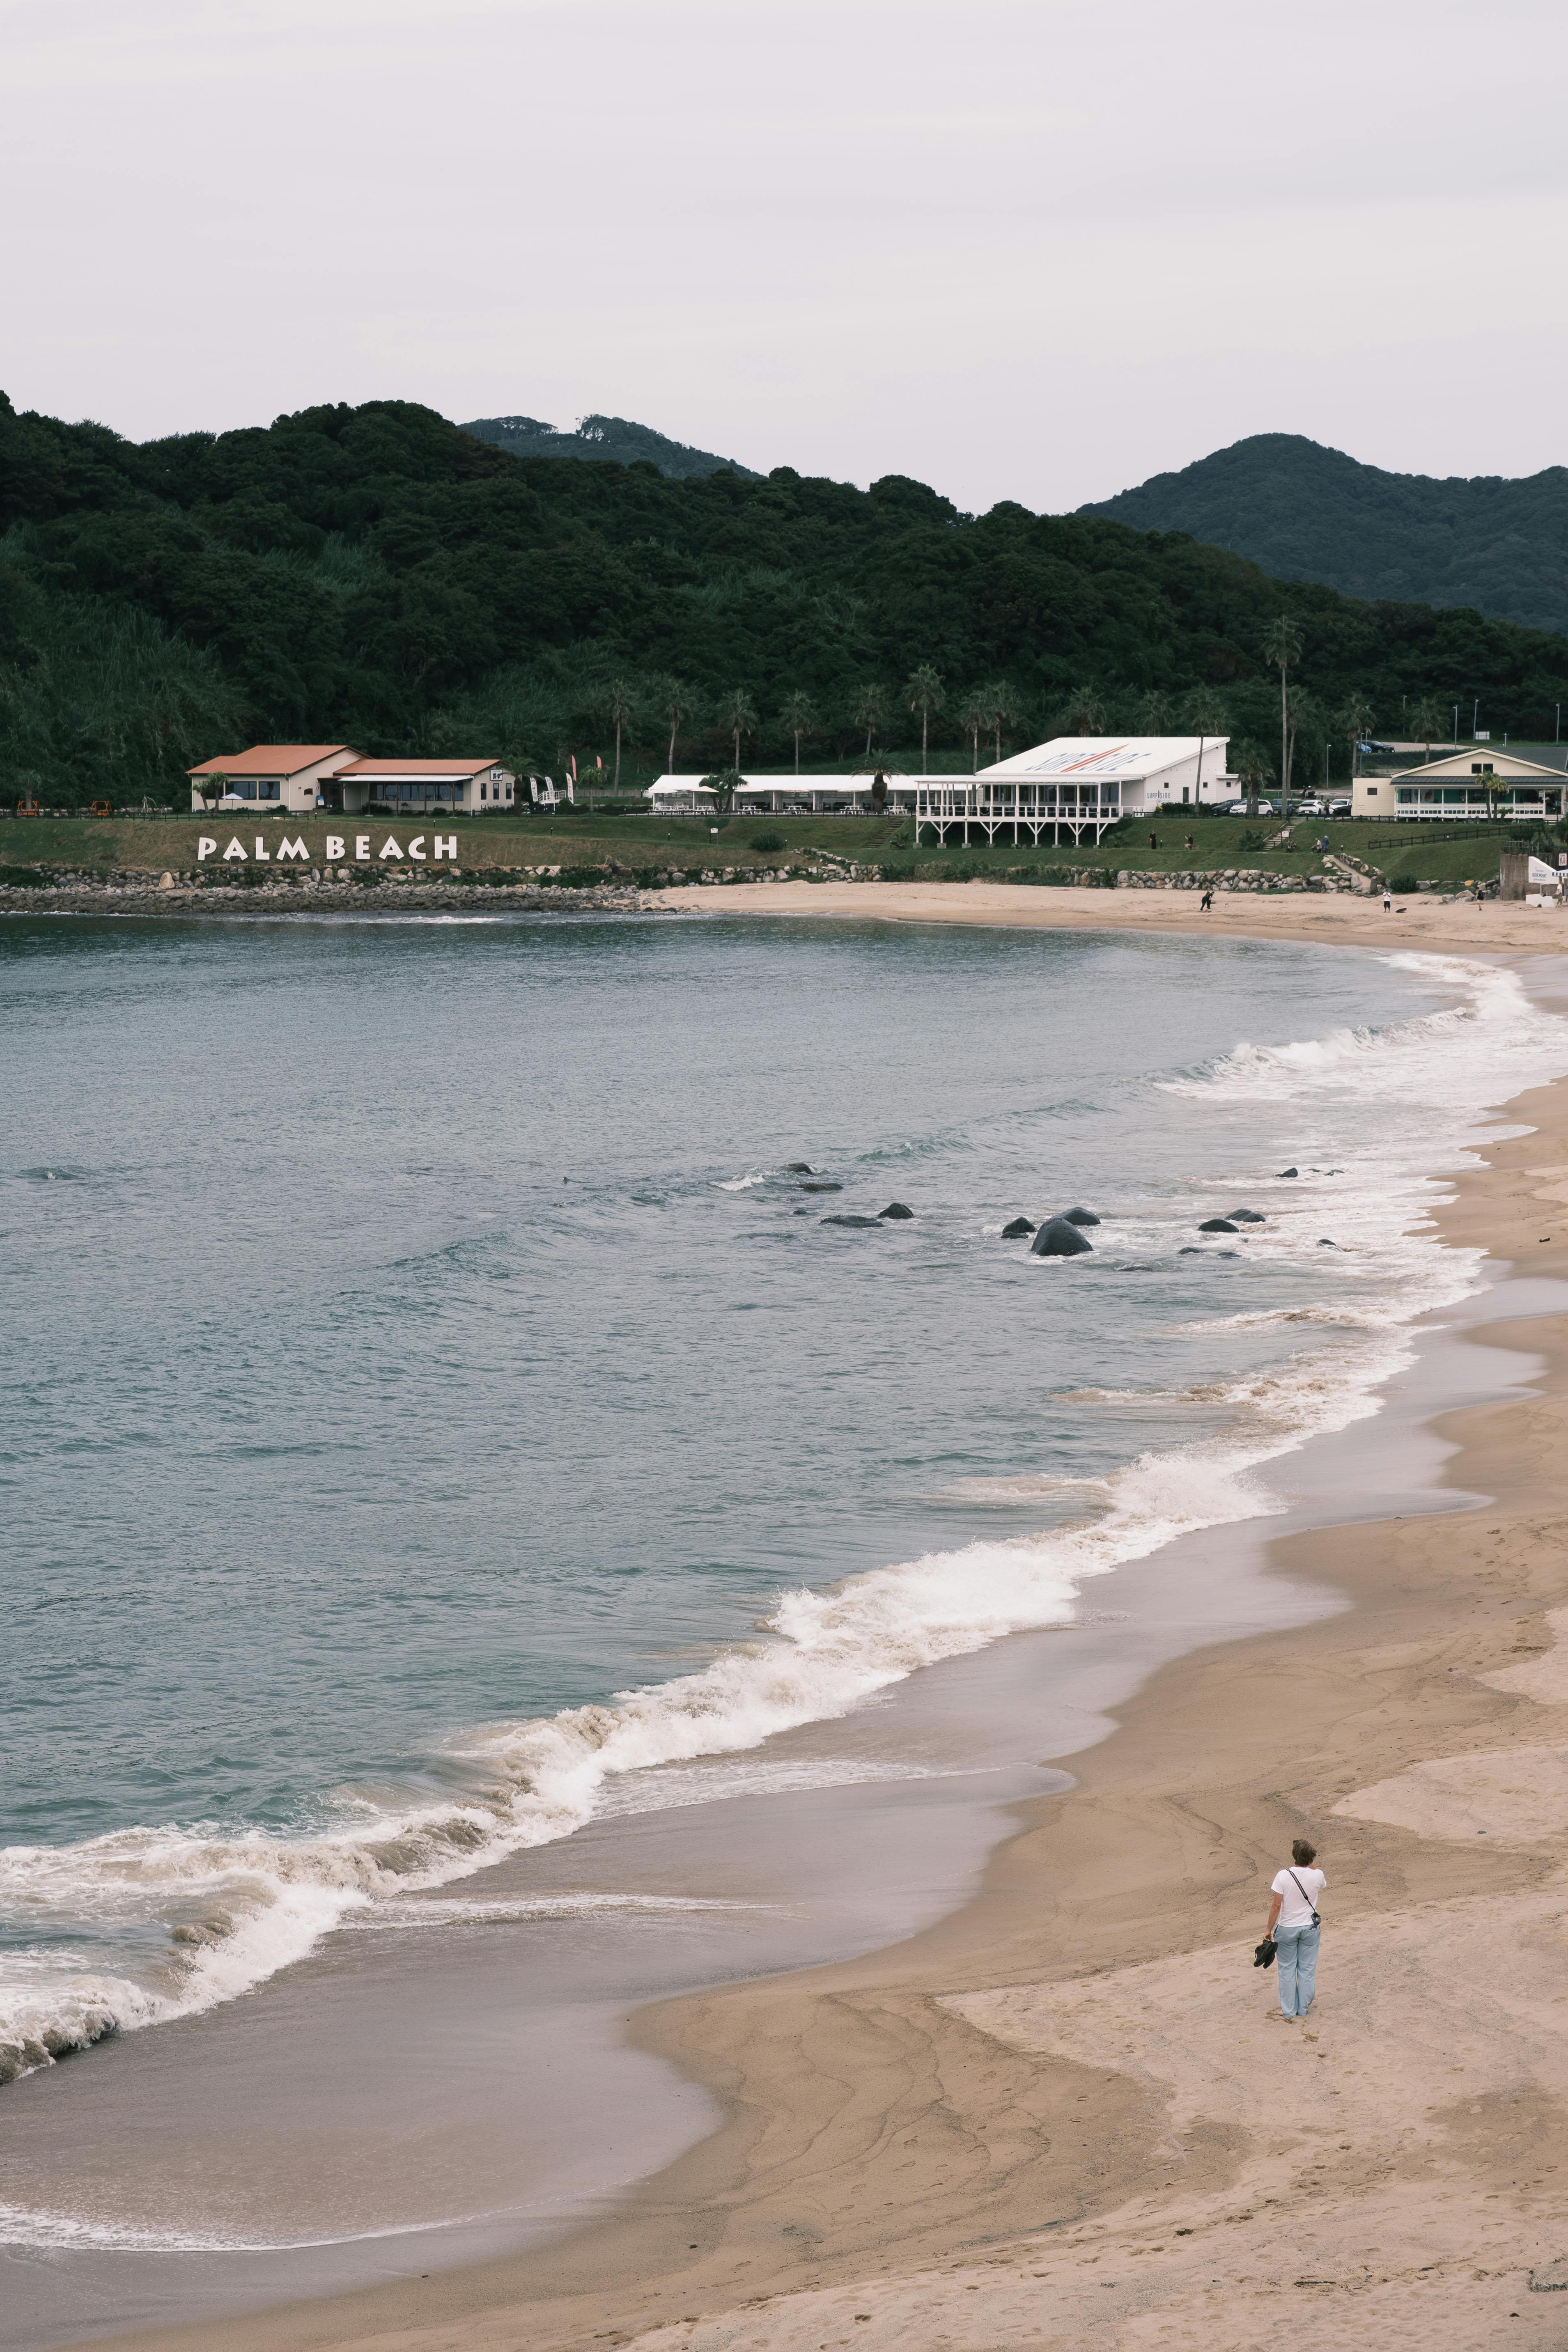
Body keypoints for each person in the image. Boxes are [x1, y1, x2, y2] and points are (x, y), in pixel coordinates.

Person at [1265, 1838, 1325, 2019]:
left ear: (1294, 1856)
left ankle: (1289, 2011)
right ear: (1312, 1858)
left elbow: (1276, 1906)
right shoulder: (1318, 1875)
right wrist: (1310, 1863)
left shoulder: (1283, 1876)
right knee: (1307, 1969)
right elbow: (1317, 1876)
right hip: (1310, 1928)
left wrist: (1269, 1929)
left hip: (1287, 1928)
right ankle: (1304, 2009)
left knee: (1287, 1969)